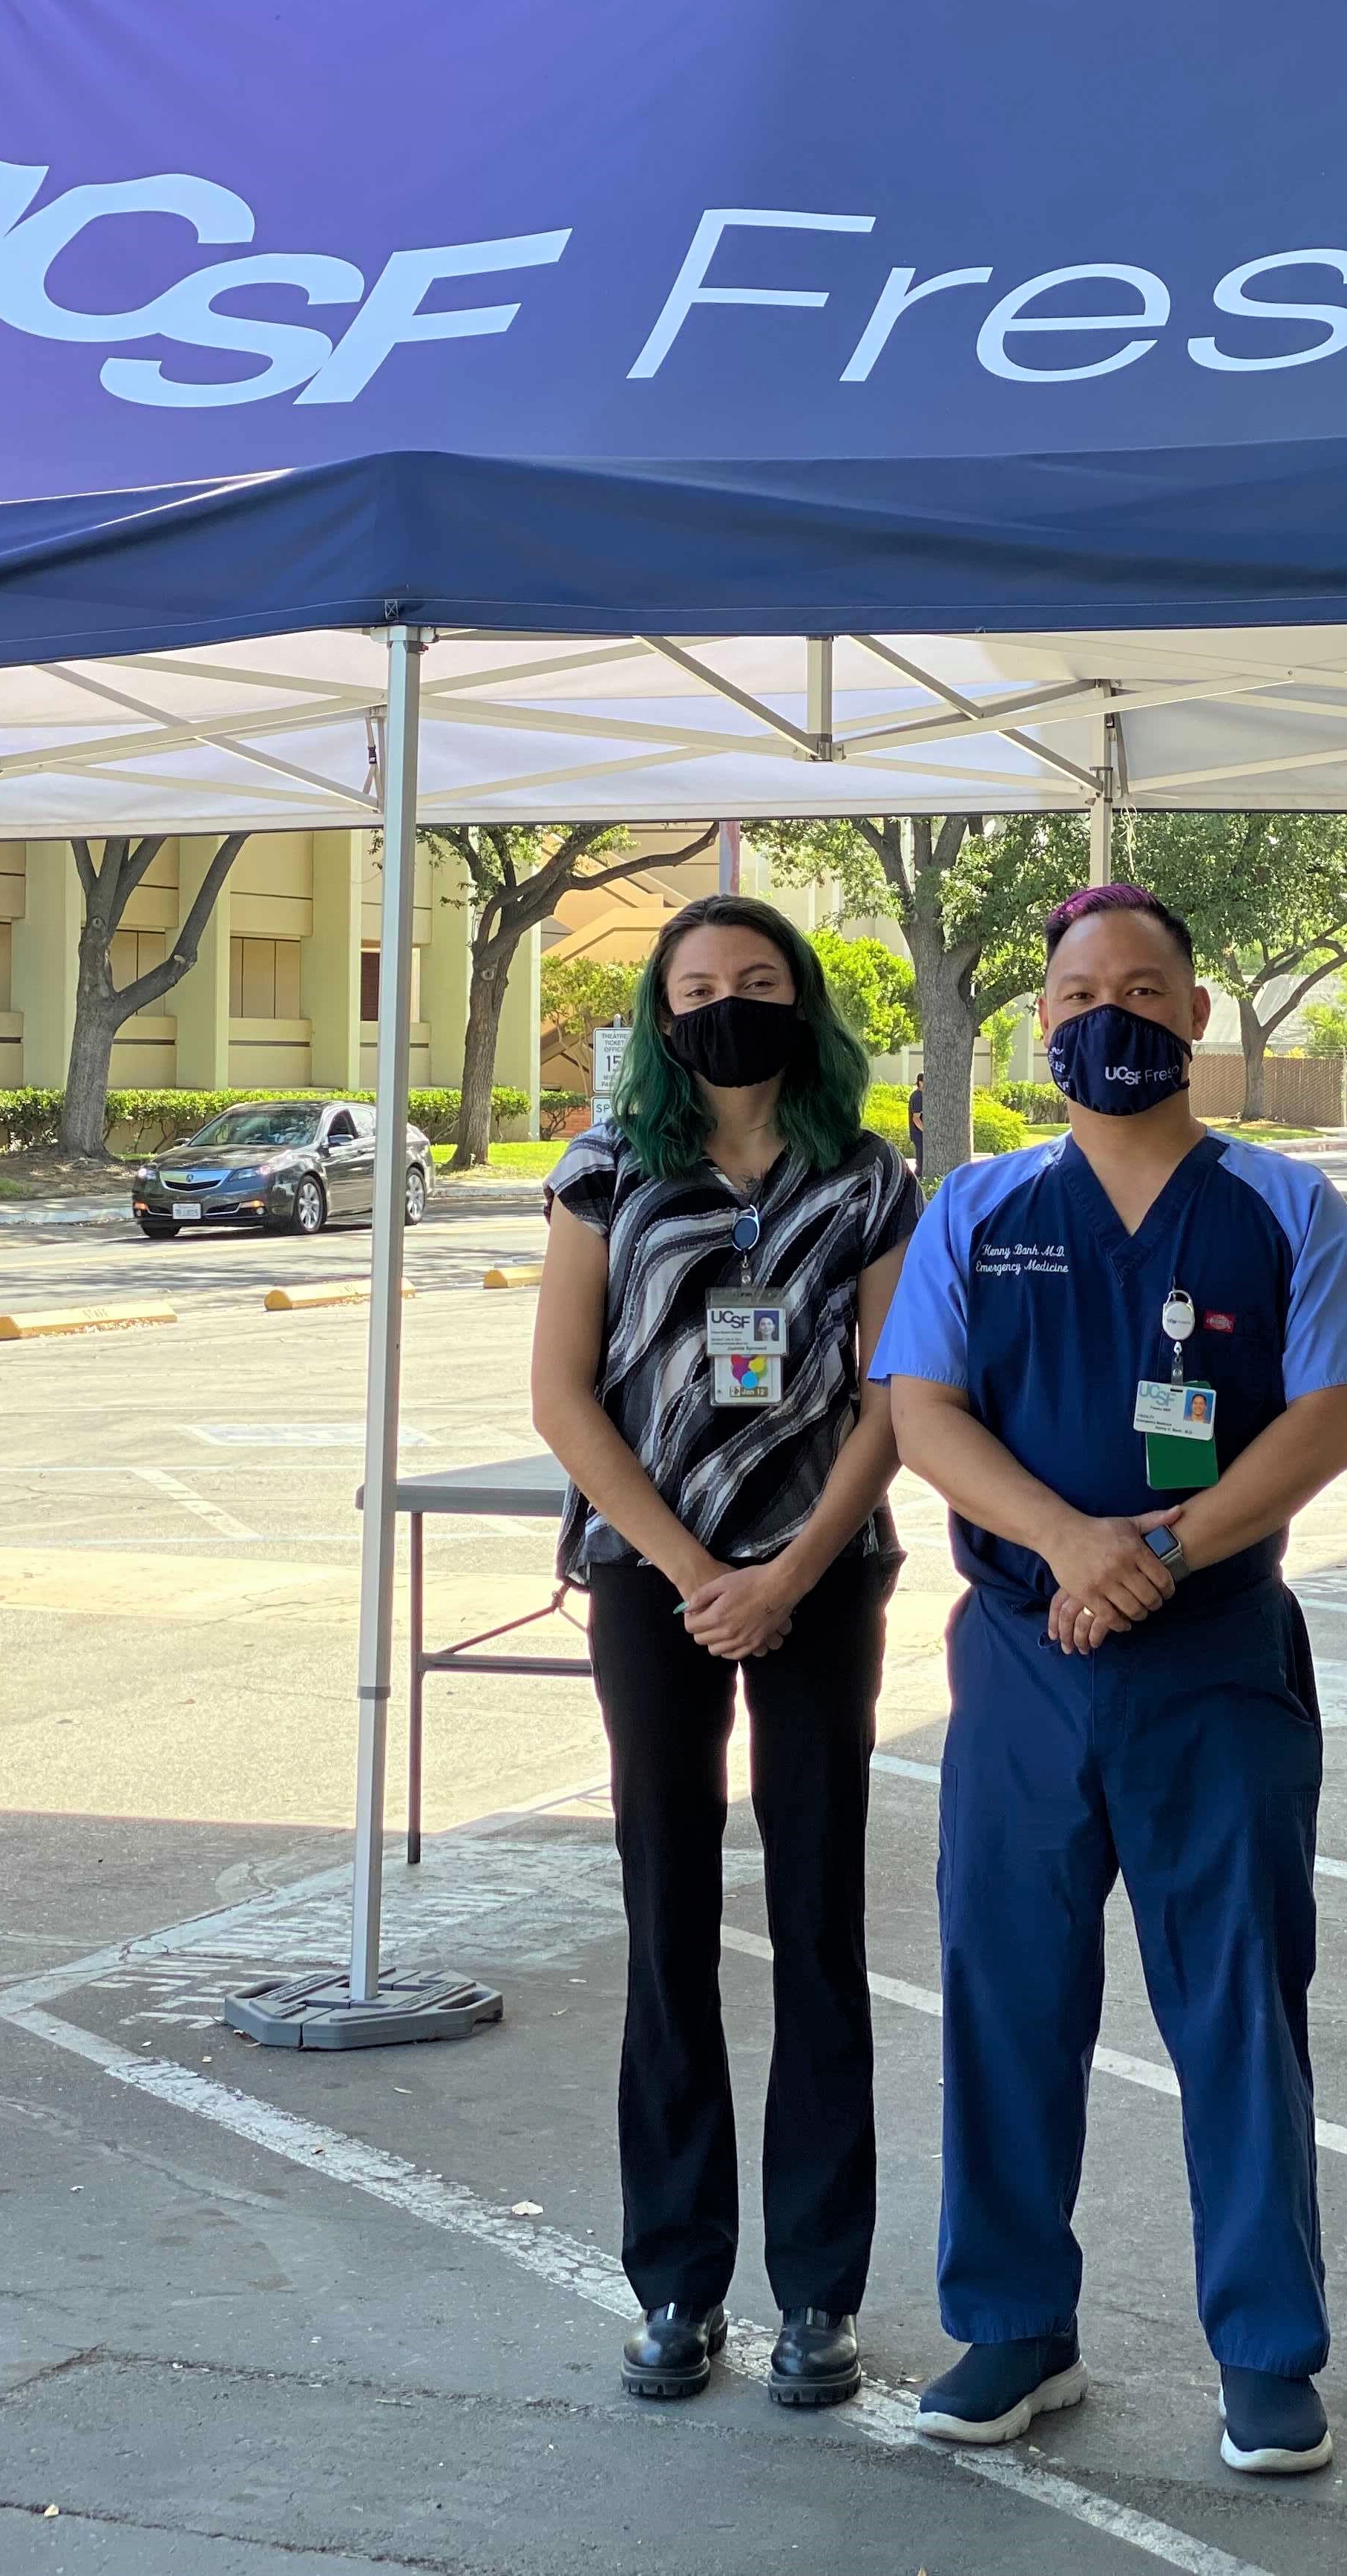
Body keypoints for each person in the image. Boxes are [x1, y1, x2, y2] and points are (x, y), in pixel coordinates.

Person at [869, 882, 1347, 2476]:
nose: (1109, 1009)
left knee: (1239, 2001)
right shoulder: (978, 1208)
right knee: (1007, 1994)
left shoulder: (1285, 1208)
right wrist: (1066, 1542)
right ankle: (1015, 2329)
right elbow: (924, 1413)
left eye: (1144, 985)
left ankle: (1266, 2351)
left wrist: (1158, 1560)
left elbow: (1332, 1419)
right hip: (1024, 1671)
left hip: (1213, 1663)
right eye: (1079, 989)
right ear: (1043, 1021)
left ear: (1195, 1015)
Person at [532, 895, 919, 2413]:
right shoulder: (605, 1170)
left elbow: (899, 1396)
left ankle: (820, 2291)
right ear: (660, 1009)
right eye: (698, 986)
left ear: (804, 1002)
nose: (727, 1006)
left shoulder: (870, 1177)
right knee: (666, 1917)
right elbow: (565, 1398)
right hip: (655, 1581)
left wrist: (792, 1570)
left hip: (826, 1576)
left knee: (819, 1921)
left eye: (758, 982)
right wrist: (700, 1572)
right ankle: (678, 2281)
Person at [907, 1073, 925, 1180]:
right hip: (919, 1134)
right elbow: (916, 1118)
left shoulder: (921, 1095)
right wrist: (926, 1132)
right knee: (921, 1161)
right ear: (920, 1082)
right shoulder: (918, 1097)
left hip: (920, 1133)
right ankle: (916, 1179)